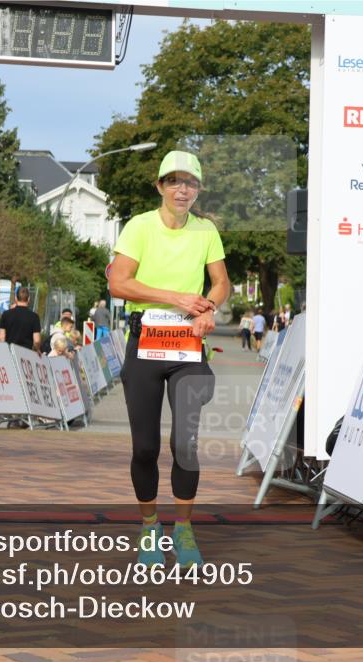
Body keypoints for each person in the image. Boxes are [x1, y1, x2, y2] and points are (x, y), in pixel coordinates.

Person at [108, 150, 231, 569]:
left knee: (185, 445)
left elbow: (220, 282)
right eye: (174, 181)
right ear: (160, 186)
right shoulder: (140, 226)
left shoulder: (206, 231)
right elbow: (118, 284)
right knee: (145, 447)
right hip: (145, 341)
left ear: (198, 189)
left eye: (191, 183)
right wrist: (174, 297)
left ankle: (183, 529)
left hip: (187, 349)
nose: (183, 190)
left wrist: (209, 309)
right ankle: (148, 528)